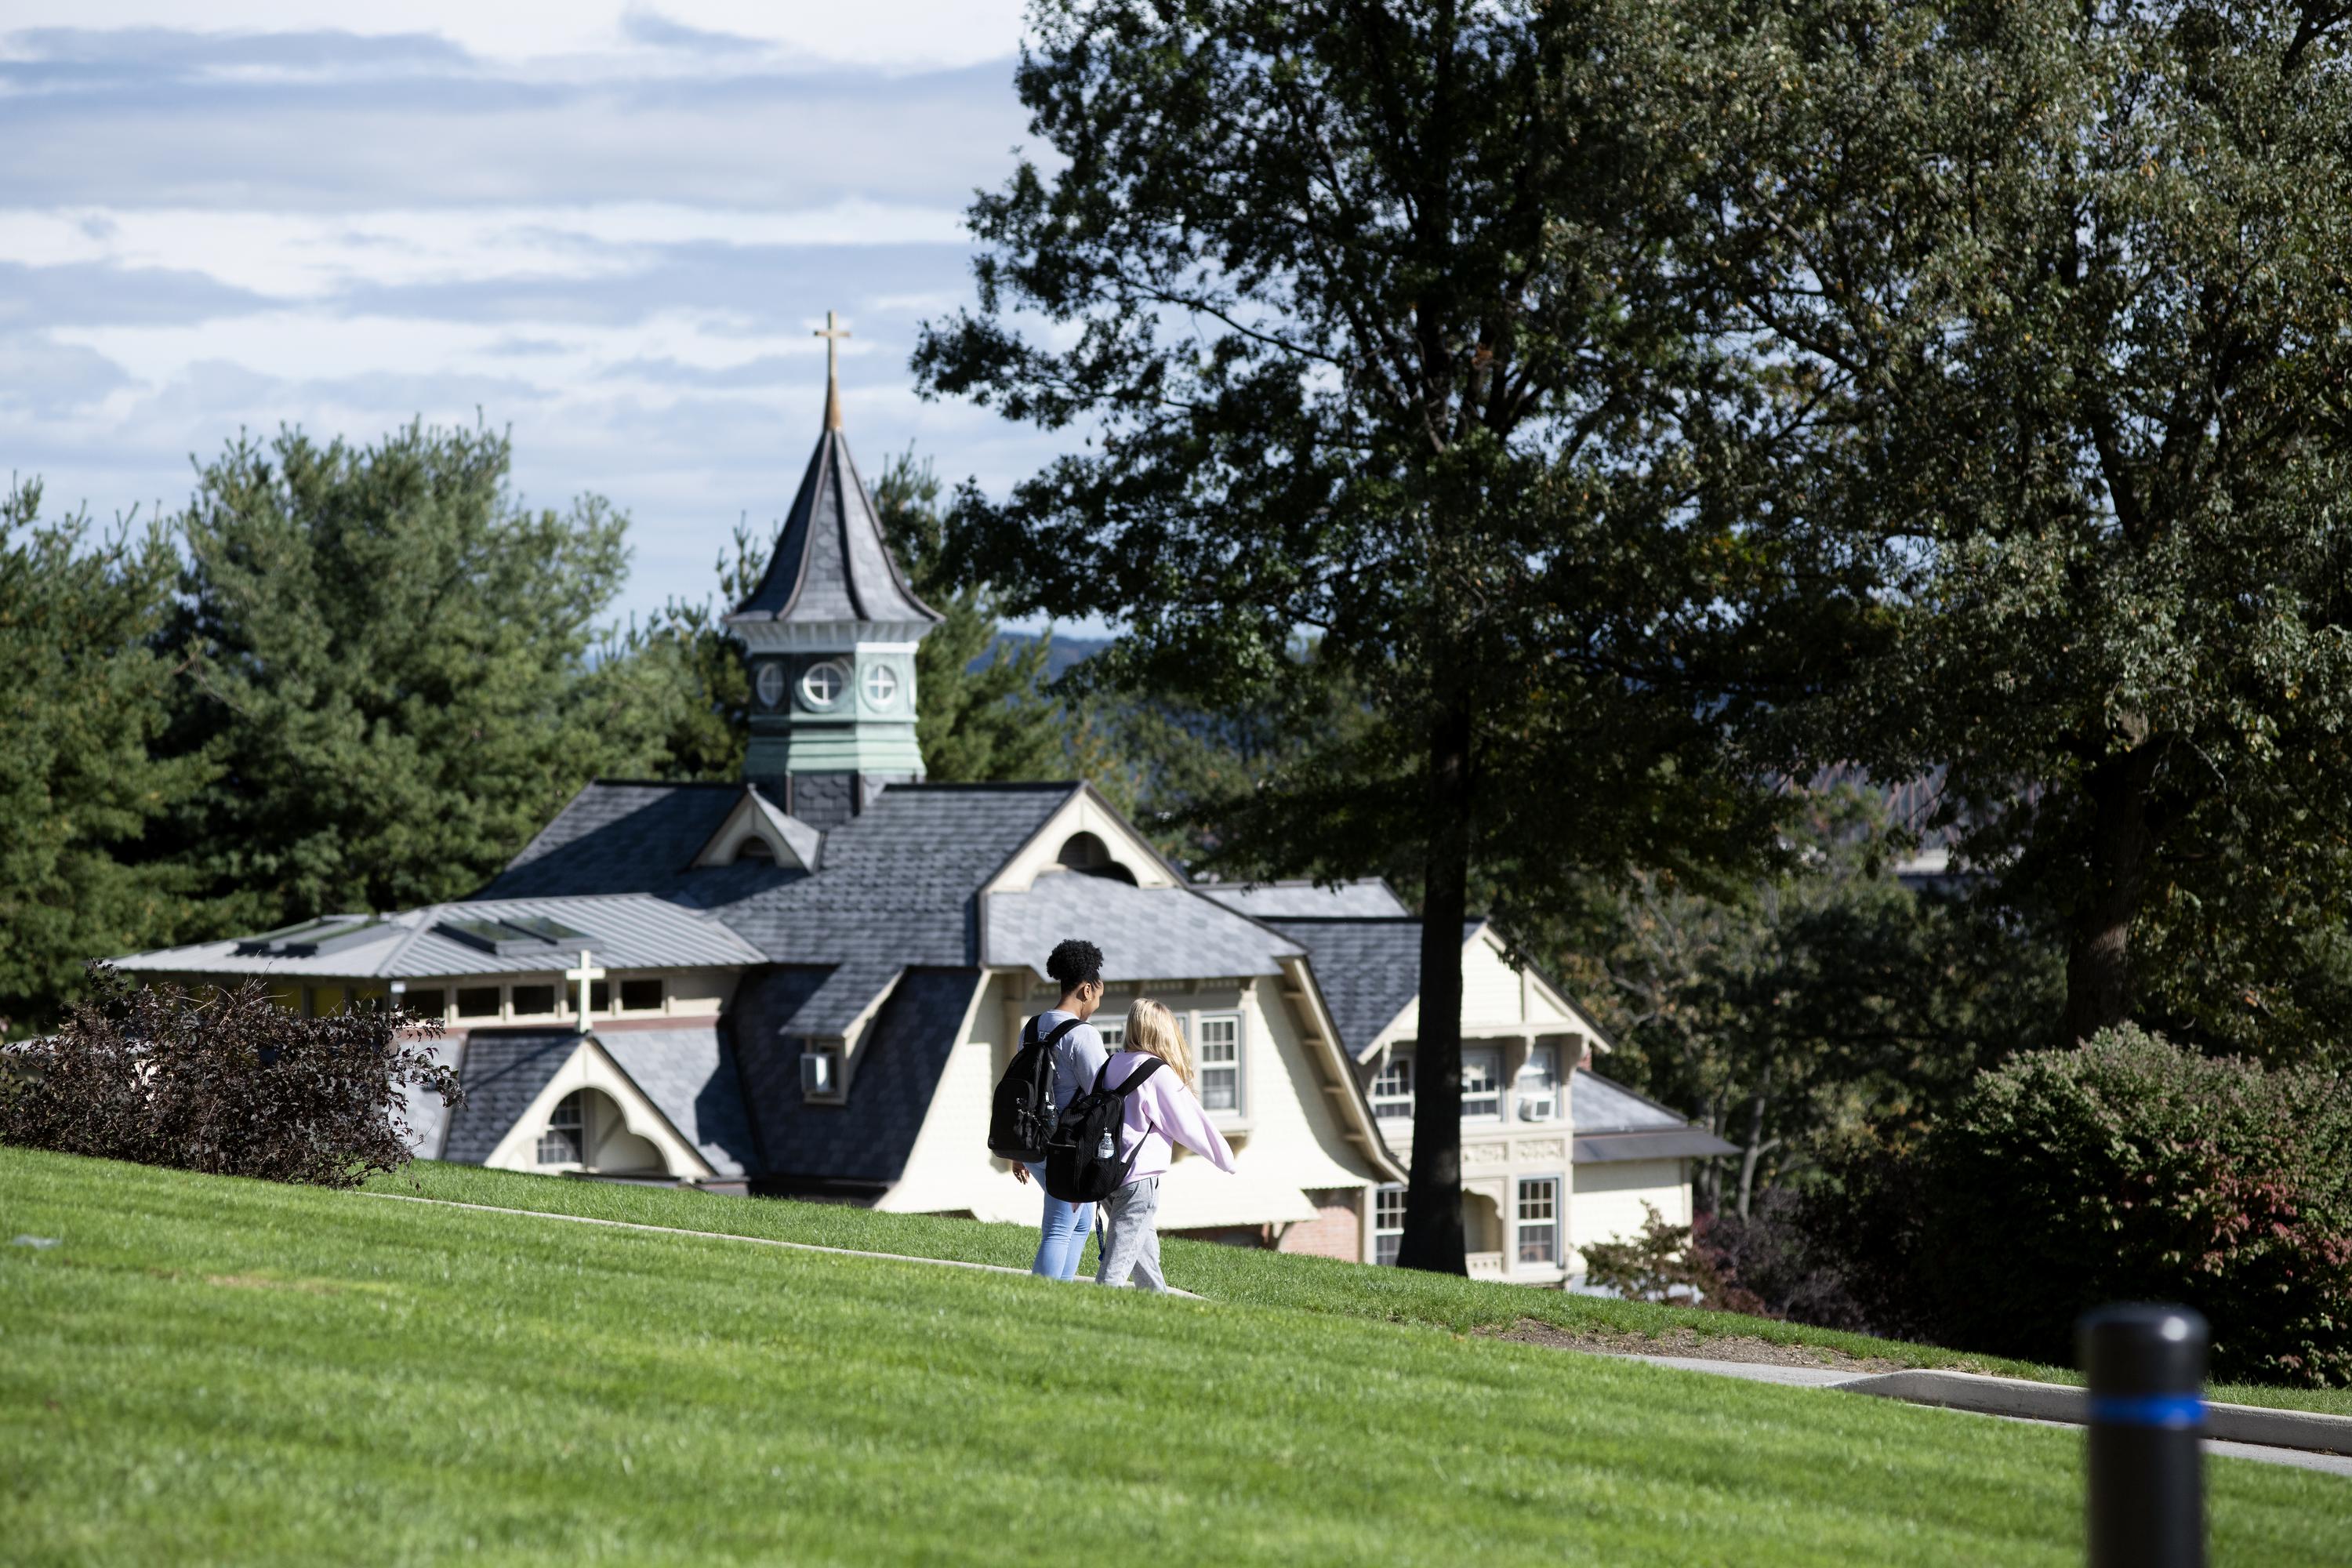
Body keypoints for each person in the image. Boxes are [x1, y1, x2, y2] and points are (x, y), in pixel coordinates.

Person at [1095, 997, 1237, 1292]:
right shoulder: (1157, 1073)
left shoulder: (1110, 1065)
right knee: (1117, 1265)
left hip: (1106, 1175)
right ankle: (1095, 1314)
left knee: (1144, 1259)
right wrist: (1226, 1159)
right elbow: (1190, 1123)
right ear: (1163, 1032)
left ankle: (1158, 1309)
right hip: (1138, 1180)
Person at [1011, 938, 1109, 1279]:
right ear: (1086, 989)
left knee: (1080, 1220)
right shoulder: (1083, 1036)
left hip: (1033, 1142)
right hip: (1065, 1147)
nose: (1097, 1002)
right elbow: (1103, 1093)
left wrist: (1018, 1150)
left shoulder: (1033, 1026)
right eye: (1097, 994)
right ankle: (1040, 1298)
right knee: (1059, 1224)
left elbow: (1026, 1089)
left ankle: (1061, 1291)